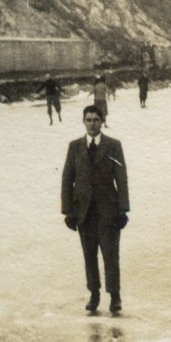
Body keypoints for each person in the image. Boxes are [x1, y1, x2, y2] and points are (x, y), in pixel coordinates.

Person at [61, 105, 130, 313]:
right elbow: (67, 179)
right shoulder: (74, 147)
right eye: (88, 120)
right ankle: (94, 293)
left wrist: (123, 209)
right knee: (89, 255)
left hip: (108, 210)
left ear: (102, 121)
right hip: (84, 213)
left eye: (96, 120)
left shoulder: (113, 145)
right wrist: (68, 212)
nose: (92, 124)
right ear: (84, 121)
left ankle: (115, 295)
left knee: (111, 255)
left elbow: (121, 178)